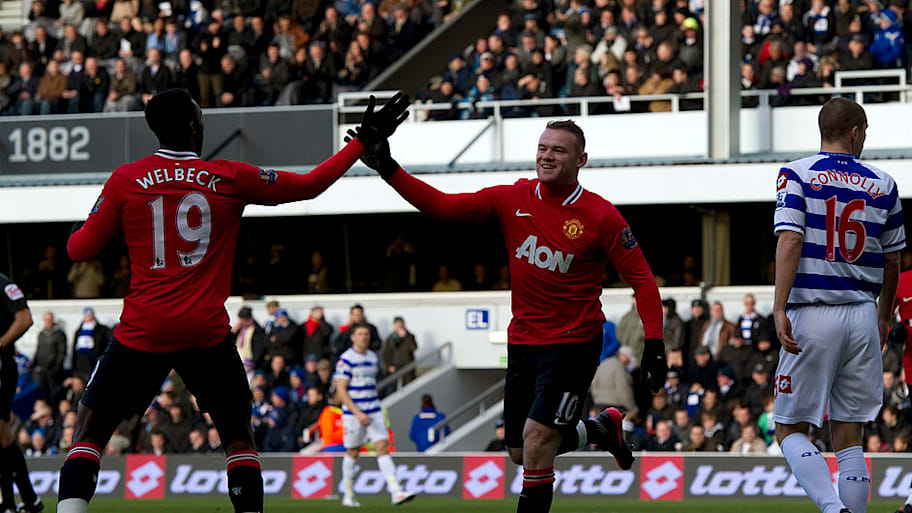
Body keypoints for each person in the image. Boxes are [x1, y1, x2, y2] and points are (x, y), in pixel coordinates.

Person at [57, 89, 410, 513]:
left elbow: (79, 250)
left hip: (143, 328)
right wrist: (358, 143)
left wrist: (85, 221)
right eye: (200, 117)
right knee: (238, 436)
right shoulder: (228, 176)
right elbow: (309, 186)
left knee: (89, 431)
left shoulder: (126, 179)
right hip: (206, 332)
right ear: (192, 126)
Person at [348, 118, 666, 513]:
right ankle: (601, 429)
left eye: (558, 150)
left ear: (581, 160)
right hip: (524, 342)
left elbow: (643, 281)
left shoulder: (601, 216)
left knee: (535, 441)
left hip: (573, 344)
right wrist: (389, 170)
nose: (546, 156)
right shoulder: (512, 197)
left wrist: (654, 340)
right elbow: (443, 207)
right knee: (518, 450)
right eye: (543, 147)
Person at [774, 97, 904, 513]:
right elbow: (893, 258)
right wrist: (883, 315)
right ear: (855, 132)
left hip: (813, 311)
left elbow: (791, 239)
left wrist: (779, 307)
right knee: (849, 433)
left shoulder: (795, 174)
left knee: (789, 428)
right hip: (864, 315)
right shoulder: (884, 183)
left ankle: (834, 509)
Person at [333, 323, 416, 507]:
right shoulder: (346, 359)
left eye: (367, 334)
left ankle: (396, 491)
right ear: (353, 337)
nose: (364, 337)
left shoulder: (372, 357)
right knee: (353, 452)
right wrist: (357, 412)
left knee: (382, 446)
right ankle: (348, 494)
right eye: (360, 334)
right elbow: (341, 390)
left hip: (374, 410)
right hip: (354, 414)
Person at [0, 274, 41, 513]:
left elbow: (24, 319)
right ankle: (28, 499)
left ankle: (8, 503)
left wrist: (2, 342)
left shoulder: (4, 285)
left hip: (2, 365)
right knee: (4, 437)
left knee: (1, 434)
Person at [382, 316, 417, 384]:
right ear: (394, 326)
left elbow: (413, 348)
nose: (399, 327)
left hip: (408, 368)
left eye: (401, 325)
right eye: (397, 325)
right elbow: (386, 353)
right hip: (395, 367)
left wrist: (406, 337)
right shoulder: (390, 338)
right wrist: (388, 366)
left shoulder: (410, 336)